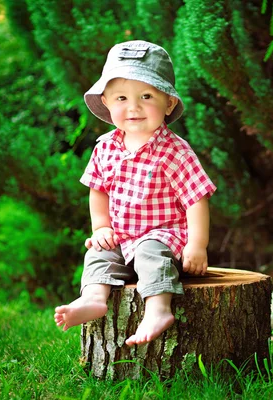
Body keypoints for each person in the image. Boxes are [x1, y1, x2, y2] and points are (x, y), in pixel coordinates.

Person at [54, 40, 216, 346]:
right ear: (106, 102)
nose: (133, 107)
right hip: (122, 234)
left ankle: (158, 308)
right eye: (121, 98)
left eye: (146, 96)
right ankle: (93, 298)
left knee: (149, 252)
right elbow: (97, 190)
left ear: (168, 103)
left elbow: (197, 198)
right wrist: (101, 227)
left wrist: (197, 245)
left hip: (165, 235)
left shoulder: (175, 151)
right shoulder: (105, 146)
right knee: (98, 252)